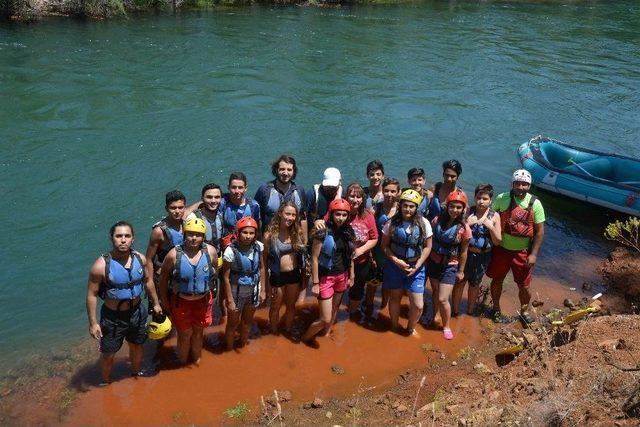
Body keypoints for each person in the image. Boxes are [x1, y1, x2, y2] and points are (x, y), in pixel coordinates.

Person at [86, 221, 162, 385]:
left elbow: (148, 282)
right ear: (112, 238)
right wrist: (93, 323)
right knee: (108, 353)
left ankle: (136, 373)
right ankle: (106, 382)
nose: (123, 240)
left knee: (136, 345)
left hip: (136, 312)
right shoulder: (101, 266)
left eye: (127, 236)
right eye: (118, 236)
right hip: (113, 317)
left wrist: (155, 303)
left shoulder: (140, 259)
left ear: (132, 239)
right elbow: (91, 295)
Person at [486, 169, 545, 324]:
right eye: (517, 183)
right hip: (501, 249)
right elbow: (490, 217)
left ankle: (524, 312)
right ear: (512, 184)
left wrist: (534, 254)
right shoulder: (502, 198)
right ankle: (496, 309)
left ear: (529, 186)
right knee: (497, 280)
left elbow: (539, 232)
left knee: (524, 286)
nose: (520, 187)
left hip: (522, 252)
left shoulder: (535, 204)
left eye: (524, 184)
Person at [159, 218, 218, 365]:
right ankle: (183, 362)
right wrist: (164, 303)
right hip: (181, 301)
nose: (194, 238)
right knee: (184, 334)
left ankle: (197, 360)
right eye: (190, 234)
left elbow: (215, 272)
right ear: (185, 234)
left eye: (198, 235)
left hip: (203, 300)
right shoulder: (174, 255)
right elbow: (163, 279)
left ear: (203, 236)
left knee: (198, 333)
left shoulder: (210, 252)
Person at [302, 199, 355, 346]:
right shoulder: (322, 232)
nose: (341, 218)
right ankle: (305, 339)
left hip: (342, 275)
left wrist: (352, 274)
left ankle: (326, 334)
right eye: (338, 214)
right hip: (326, 277)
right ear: (331, 214)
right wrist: (315, 283)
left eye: (344, 215)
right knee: (324, 317)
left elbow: (350, 255)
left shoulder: (348, 231)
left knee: (335, 307)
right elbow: (314, 258)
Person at [380, 189, 433, 335]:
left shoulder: (424, 223)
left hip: (416, 266)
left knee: (418, 304)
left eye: (411, 206)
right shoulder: (391, 223)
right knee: (395, 297)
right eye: (405, 206)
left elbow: (428, 247)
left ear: (416, 207)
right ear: (400, 205)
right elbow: (384, 246)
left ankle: (410, 327)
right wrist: (396, 261)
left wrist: (417, 266)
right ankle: (394, 325)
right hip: (395, 266)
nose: (408, 209)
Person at [426, 192, 471, 340]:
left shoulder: (464, 228)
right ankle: (435, 315)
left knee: (443, 298)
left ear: (463, 209)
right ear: (447, 207)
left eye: (459, 207)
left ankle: (446, 326)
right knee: (435, 292)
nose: (455, 210)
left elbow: (464, 252)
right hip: (433, 262)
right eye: (452, 206)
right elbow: (429, 241)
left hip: (450, 265)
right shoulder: (436, 220)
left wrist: (461, 271)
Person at [452, 184, 501, 316]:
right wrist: (468, 223)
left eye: (485, 198)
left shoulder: (494, 216)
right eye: (478, 197)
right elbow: (456, 235)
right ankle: (455, 311)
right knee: (459, 282)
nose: (481, 201)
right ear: (474, 197)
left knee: (474, 285)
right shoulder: (468, 212)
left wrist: (491, 227)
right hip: (465, 254)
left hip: (482, 257)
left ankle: (469, 312)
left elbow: (497, 241)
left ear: (491, 200)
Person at [263, 202, 306, 335]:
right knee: (275, 306)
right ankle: (274, 332)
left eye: (293, 215)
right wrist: (265, 286)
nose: (290, 217)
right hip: (277, 276)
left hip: (294, 274)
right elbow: (263, 262)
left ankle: (288, 330)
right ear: (280, 213)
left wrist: (304, 278)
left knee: (291, 306)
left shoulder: (298, 233)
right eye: (287, 214)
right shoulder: (269, 236)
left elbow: (304, 259)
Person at [222, 217, 266, 349]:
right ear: (238, 233)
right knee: (232, 324)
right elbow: (225, 277)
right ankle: (229, 349)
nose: (248, 236)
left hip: (253, 290)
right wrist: (229, 300)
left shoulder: (259, 247)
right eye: (244, 232)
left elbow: (262, 268)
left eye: (251, 233)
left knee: (247, 322)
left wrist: (263, 290)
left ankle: (242, 345)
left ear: (255, 234)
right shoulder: (230, 251)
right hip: (236, 291)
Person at [345, 183, 379, 319]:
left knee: (357, 290)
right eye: (352, 196)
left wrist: (360, 250)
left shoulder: (367, 216)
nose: (355, 199)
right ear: (346, 197)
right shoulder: (340, 211)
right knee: (339, 288)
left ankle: (351, 314)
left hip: (361, 261)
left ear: (362, 199)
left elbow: (374, 238)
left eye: (358, 197)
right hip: (341, 261)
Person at [254, 155, 308, 239]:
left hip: (293, 240)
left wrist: (305, 242)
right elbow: (256, 218)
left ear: (294, 171)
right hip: (270, 240)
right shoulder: (264, 190)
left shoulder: (299, 191)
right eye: (282, 169)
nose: (285, 173)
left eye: (289, 169)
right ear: (276, 170)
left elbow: (303, 218)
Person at [371, 177, 401, 316]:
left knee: (388, 284)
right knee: (372, 282)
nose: (389, 194)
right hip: (377, 251)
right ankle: (368, 307)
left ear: (398, 192)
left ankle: (383, 307)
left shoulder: (402, 209)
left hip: (394, 252)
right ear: (383, 191)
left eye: (393, 191)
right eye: (387, 191)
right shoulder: (376, 209)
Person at [145, 191, 186, 287]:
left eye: (180, 208)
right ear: (166, 208)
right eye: (173, 208)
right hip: (164, 278)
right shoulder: (159, 231)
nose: (177, 211)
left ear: (185, 208)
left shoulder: (187, 225)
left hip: (182, 276)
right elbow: (149, 259)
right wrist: (149, 282)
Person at [219, 172, 261, 238]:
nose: (237, 191)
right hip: (226, 243)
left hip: (246, 241)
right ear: (228, 187)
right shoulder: (222, 203)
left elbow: (257, 227)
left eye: (240, 187)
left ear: (246, 188)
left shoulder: (253, 205)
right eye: (234, 187)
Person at [184, 183, 223, 254]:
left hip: (218, 257)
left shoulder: (221, 215)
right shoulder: (193, 218)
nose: (213, 201)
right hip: (201, 259)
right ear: (202, 198)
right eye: (209, 197)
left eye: (217, 197)